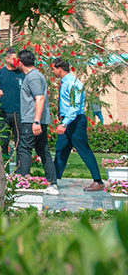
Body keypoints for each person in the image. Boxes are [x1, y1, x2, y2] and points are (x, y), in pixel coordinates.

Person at [51, 58, 105, 191]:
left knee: (83, 150)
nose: (52, 71)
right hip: (67, 120)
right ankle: (53, 180)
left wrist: (64, 124)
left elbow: (74, 107)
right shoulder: (65, 83)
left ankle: (98, 181)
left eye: (53, 69)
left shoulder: (74, 84)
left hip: (75, 122)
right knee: (61, 150)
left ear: (60, 69)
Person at [16, 49, 59, 195]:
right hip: (37, 120)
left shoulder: (33, 77)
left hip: (32, 120)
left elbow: (39, 98)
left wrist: (36, 121)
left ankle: (22, 182)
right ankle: (52, 183)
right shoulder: (34, 76)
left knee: (24, 149)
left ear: (20, 63)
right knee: (43, 150)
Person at [0, 47, 23, 169]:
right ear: (7, 59)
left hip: (19, 112)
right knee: (3, 141)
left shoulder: (22, 74)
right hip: (3, 113)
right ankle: (2, 169)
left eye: (17, 59)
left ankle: (20, 172)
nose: (16, 61)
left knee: (20, 142)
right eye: (14, 59)